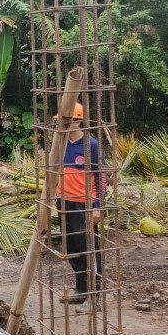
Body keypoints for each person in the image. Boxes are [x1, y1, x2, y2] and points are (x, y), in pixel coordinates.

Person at [56, 102, 106, 314]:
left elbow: (101, 176)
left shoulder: (91, 145)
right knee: (71, 248)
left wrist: (97, 206)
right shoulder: (60, 144)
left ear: (77, 121)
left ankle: (94, 296)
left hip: (83, 204)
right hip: (64, 202)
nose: (63, 125)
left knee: (88, 248)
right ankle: (81, 289)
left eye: (66, 121)